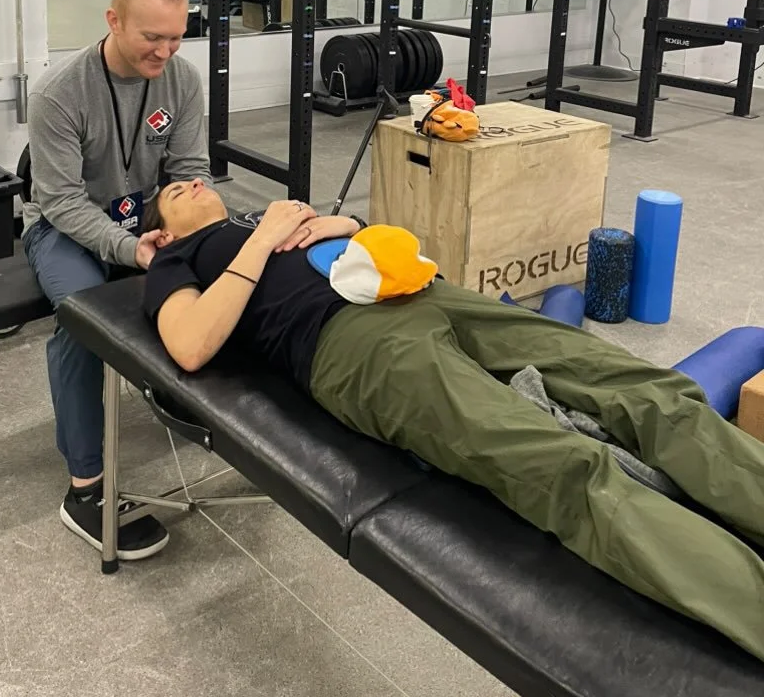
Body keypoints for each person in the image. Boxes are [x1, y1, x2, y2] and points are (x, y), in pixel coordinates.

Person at [142, 179, 764, 664]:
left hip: (428, 293)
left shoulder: (259, 217)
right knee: (558, 463)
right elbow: (193, 345)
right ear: (164, 236)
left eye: (192, 180)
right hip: (354, 346)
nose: (193, 185)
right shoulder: (179, 262)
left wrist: (344, 223)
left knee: (650, 392)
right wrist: (263, 235)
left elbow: (357, 249)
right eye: (176, 192)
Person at [23, 0, 209, 561]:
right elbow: (60, 200)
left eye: (176, 36)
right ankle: (86, 488)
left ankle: (190, 403)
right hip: (64, 229)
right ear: (113, 21)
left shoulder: (180, 81)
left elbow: (189, 172)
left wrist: (194, 234)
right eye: (151, 37)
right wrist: (129, 248)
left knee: (213, 282)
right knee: (87, 325)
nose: (165, 50)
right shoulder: (59, 93)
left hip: (145, 219)